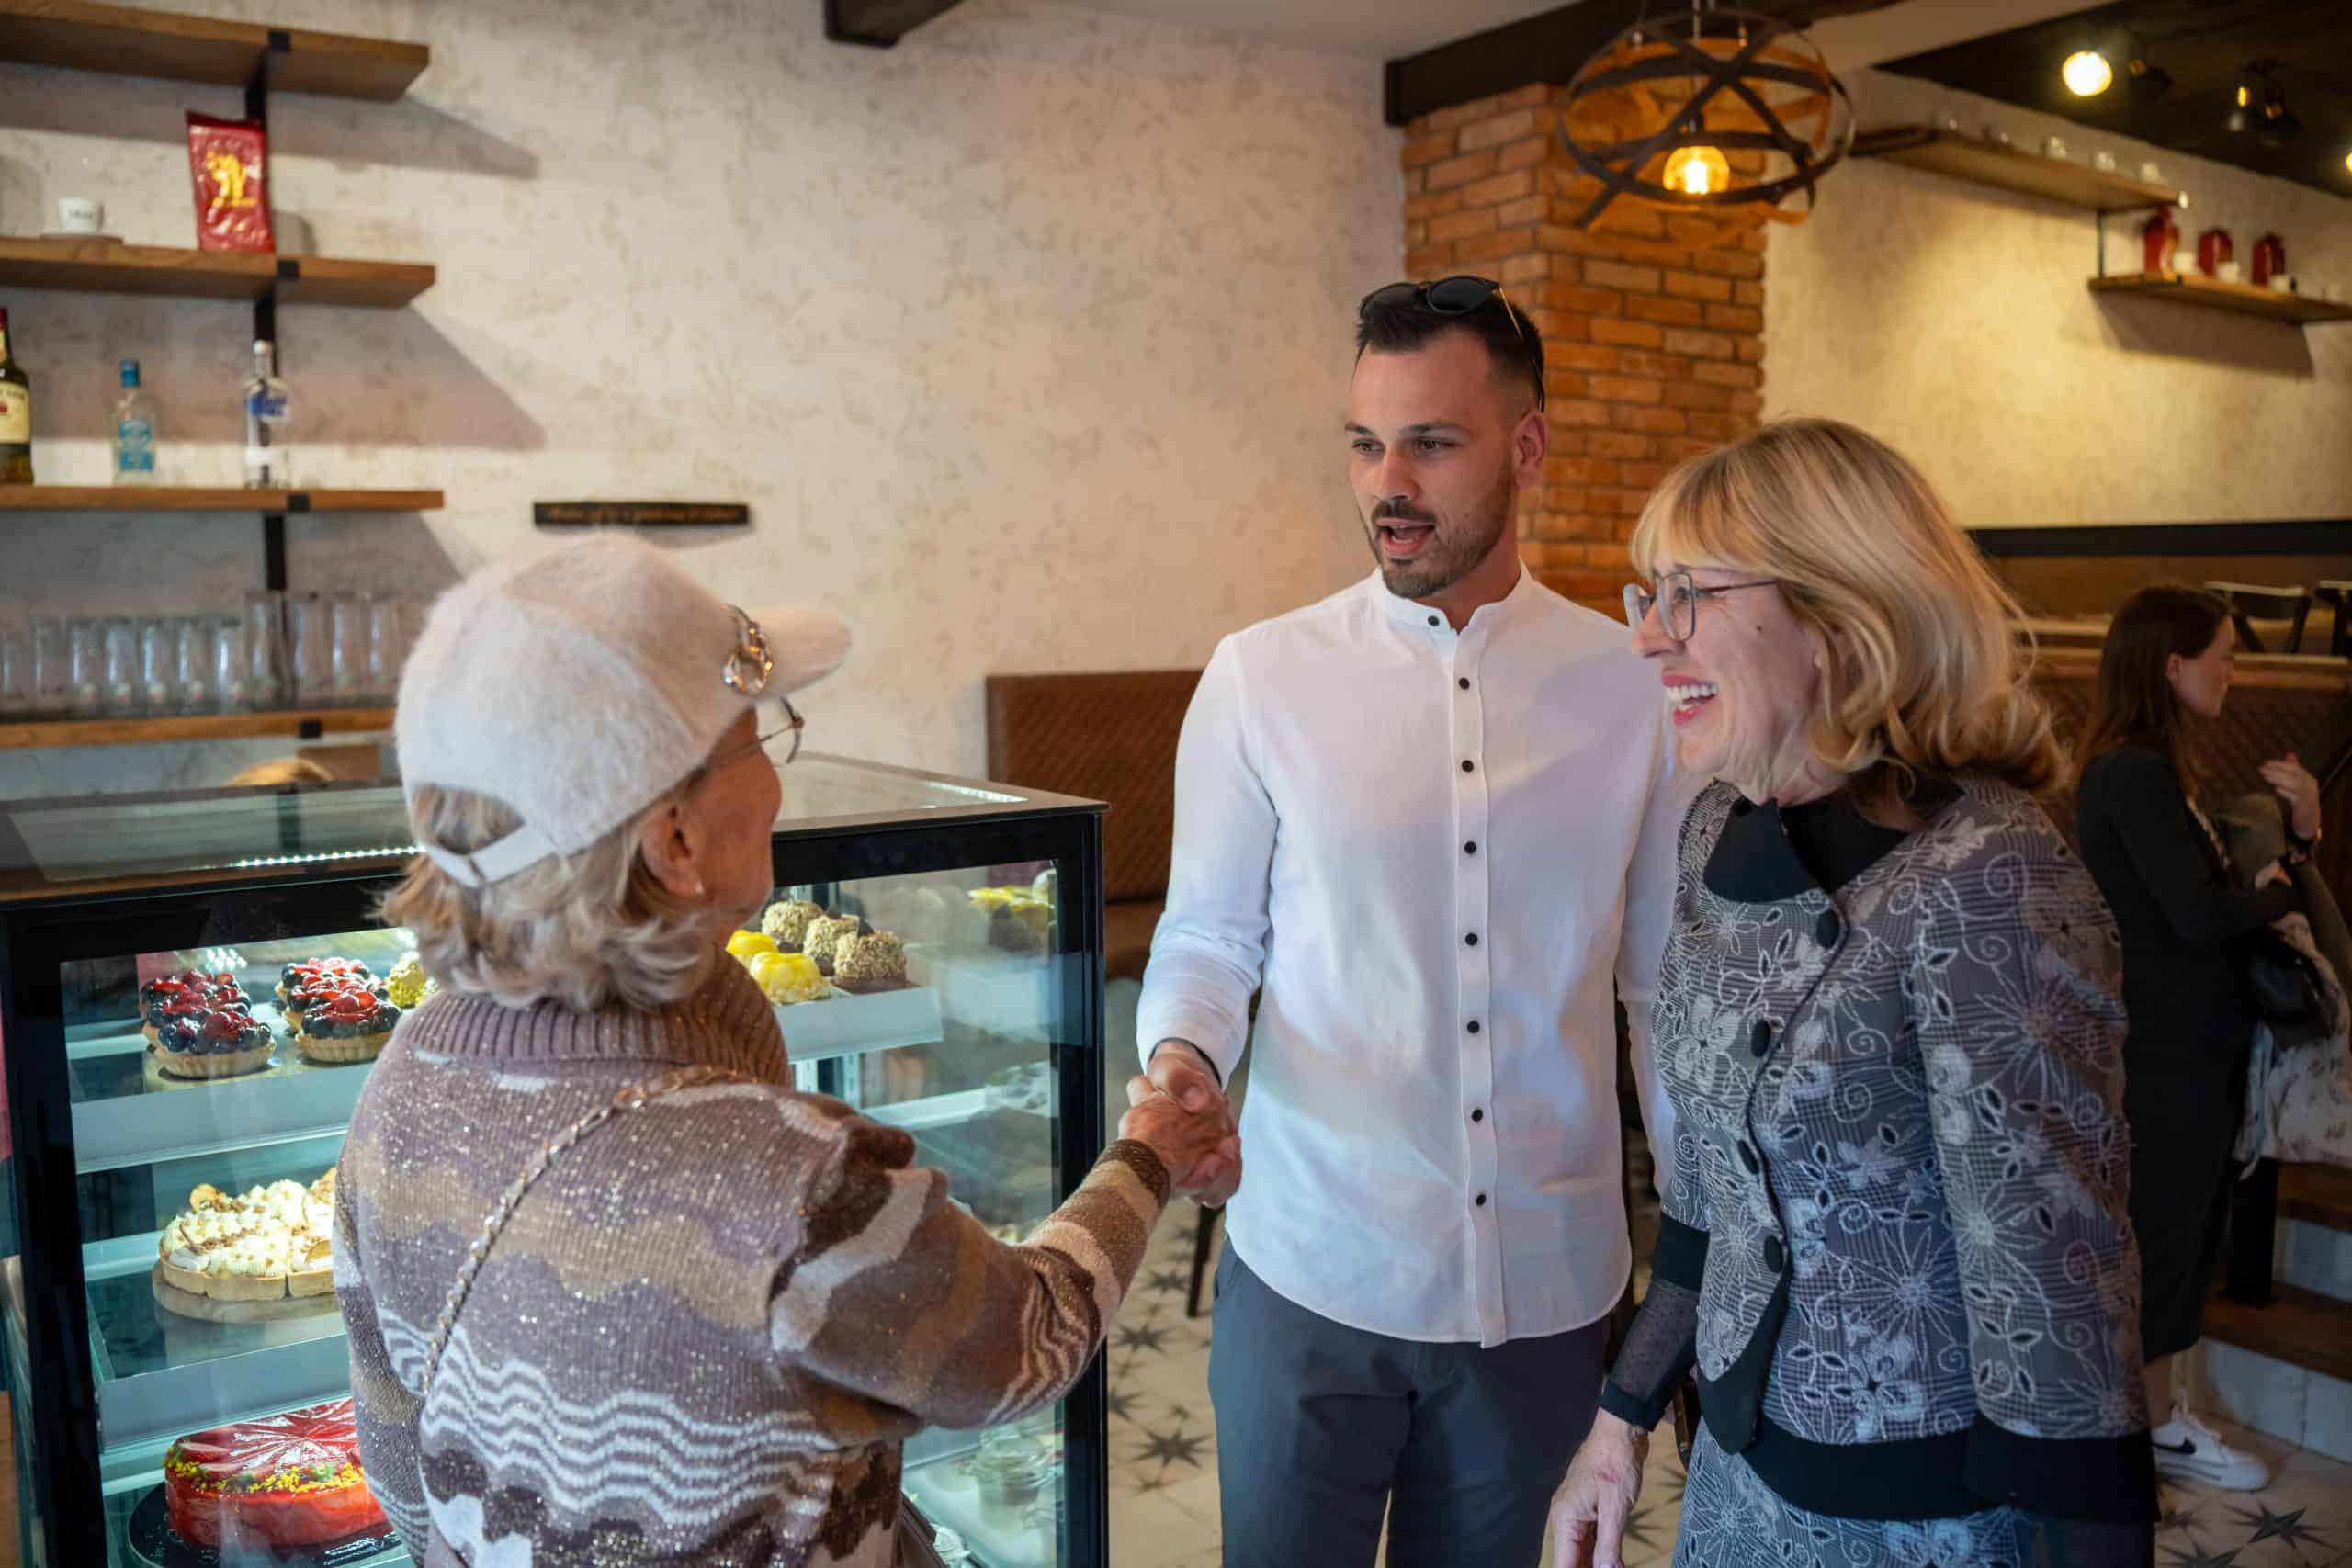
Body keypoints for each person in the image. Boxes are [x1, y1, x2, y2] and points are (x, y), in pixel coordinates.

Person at [334, 535, 1234, 1565]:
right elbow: (1023, 1341)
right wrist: (1149, 1151)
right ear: (675, 841)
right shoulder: (791, 1182)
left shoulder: (400, 1080)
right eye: (758, 736)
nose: (775, 777)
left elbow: (401, 1477)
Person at [1135, 275, 1694, 1566]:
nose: (1388, 481)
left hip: (1548, 1293)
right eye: (1365, 442)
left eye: (1431, 443)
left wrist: (1692, 1252)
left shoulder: (1633, 690)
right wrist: (1183, 1058)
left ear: (1527, 447)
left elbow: (1663, 986)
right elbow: (1209, 935)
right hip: (1311, 1271)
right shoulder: (1260, 677)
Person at [1553, 419, 2155, 1568]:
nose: (1647, 637)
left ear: (1838, 614)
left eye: (1688, 595)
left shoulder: (1987, 876)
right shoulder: (1715, 832)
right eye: (1649, 594)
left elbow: (2059, 1322)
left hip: (1914, 1520)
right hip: (1733, 1477)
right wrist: (1618, 1426)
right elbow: (1712, 1198)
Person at [2074, 583, 2322, 1493]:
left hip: (2179, 1049)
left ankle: (2152, 1420)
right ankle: (2149, 1430)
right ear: (2173, 666)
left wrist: (2296, 842)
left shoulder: (2141, 768)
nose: (2234, 674)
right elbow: (2196, 915)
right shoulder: (2131, 772)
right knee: (2167, 1242)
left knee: (2175, 1239)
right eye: (2224, 657)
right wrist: (2278, 892)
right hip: (2164, 1055)